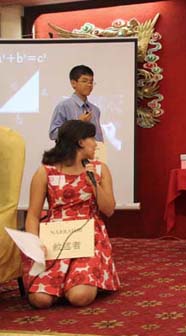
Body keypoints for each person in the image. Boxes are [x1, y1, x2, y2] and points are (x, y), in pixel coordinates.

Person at [23, 120, 119, 309]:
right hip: (56, 237)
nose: (96, 143)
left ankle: (77, 282)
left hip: (90, 237)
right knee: (40, 300)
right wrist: (35, 245)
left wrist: (93, 182)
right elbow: (33, 215)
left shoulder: (99, 169)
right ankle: (61, 282)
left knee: (79, 297)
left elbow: (109, 209)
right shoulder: (45, 172)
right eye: (92, 138)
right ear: (80, 142)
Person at [49, 65, 103, 142]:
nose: (89, 85)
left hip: (94, 152)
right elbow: (53, 134)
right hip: (71, 153)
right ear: (73, 83)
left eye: (91, 82)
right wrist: (77, 124)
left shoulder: (95, 110)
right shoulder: (64, 106)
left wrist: (101, 152)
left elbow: (98, 137)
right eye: (84, 81)